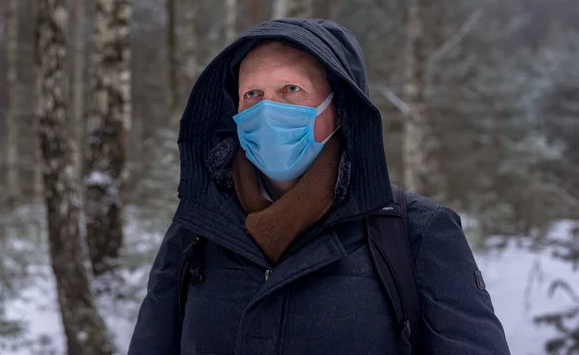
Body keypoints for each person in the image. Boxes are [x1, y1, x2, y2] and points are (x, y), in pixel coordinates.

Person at [128, 18, 511, 355]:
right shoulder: (196, 232)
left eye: (291, 90)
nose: (267, 109)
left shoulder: (415, 233)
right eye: (252, 95)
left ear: (338, 109)